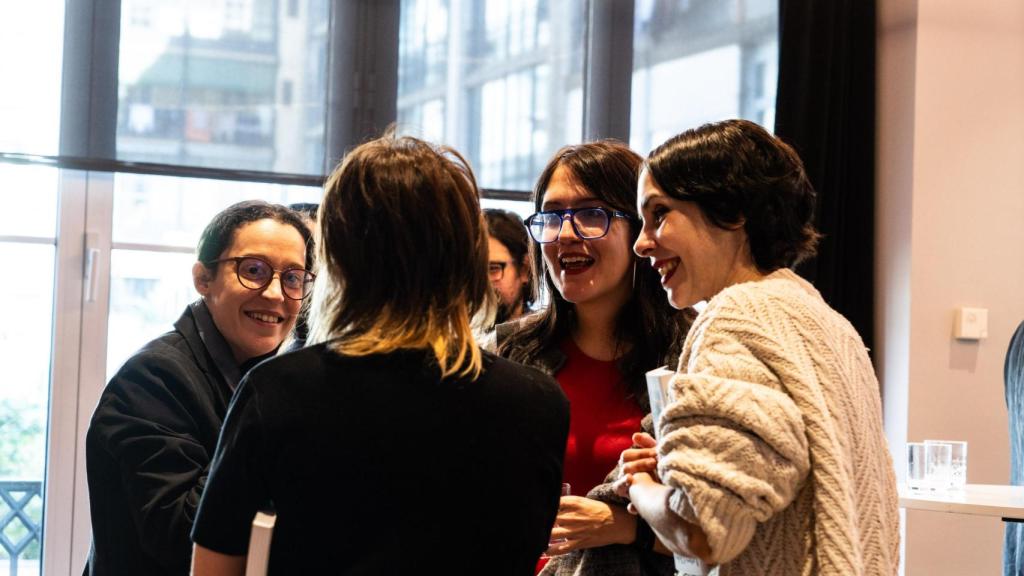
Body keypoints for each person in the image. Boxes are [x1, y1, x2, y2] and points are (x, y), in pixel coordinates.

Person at [189, 134, 570, 576]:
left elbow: (213, 568)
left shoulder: (278, 390)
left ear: (339, 256)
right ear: (465, 256)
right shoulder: (539, 402)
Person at [617, 119, 899, 574]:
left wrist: (641, 486)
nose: (641, 244)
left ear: (731, 211)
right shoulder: (829, 323)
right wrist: (688, 464)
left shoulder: (735, 319)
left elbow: (701, 529)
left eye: (660, 214)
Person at [84, 200, 314, 576]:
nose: (276, 294)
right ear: (203, 279)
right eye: (254, 270)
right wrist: (266, 417)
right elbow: (179, 536)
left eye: (293, 278)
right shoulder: (153, 378)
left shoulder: (257, 372)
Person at [496, 140, 690, 575]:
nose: (566, 234)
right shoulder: (508, 352)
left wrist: (627, 527)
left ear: (640, 231)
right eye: (552, 216)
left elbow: (723, 531)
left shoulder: (691, 357)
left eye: (590, 214)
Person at [484, 208, 535, 324]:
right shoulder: (457, 332)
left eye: (493, 268)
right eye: (473, 271)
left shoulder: (546, 333)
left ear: (524, 270)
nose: (481, 283)